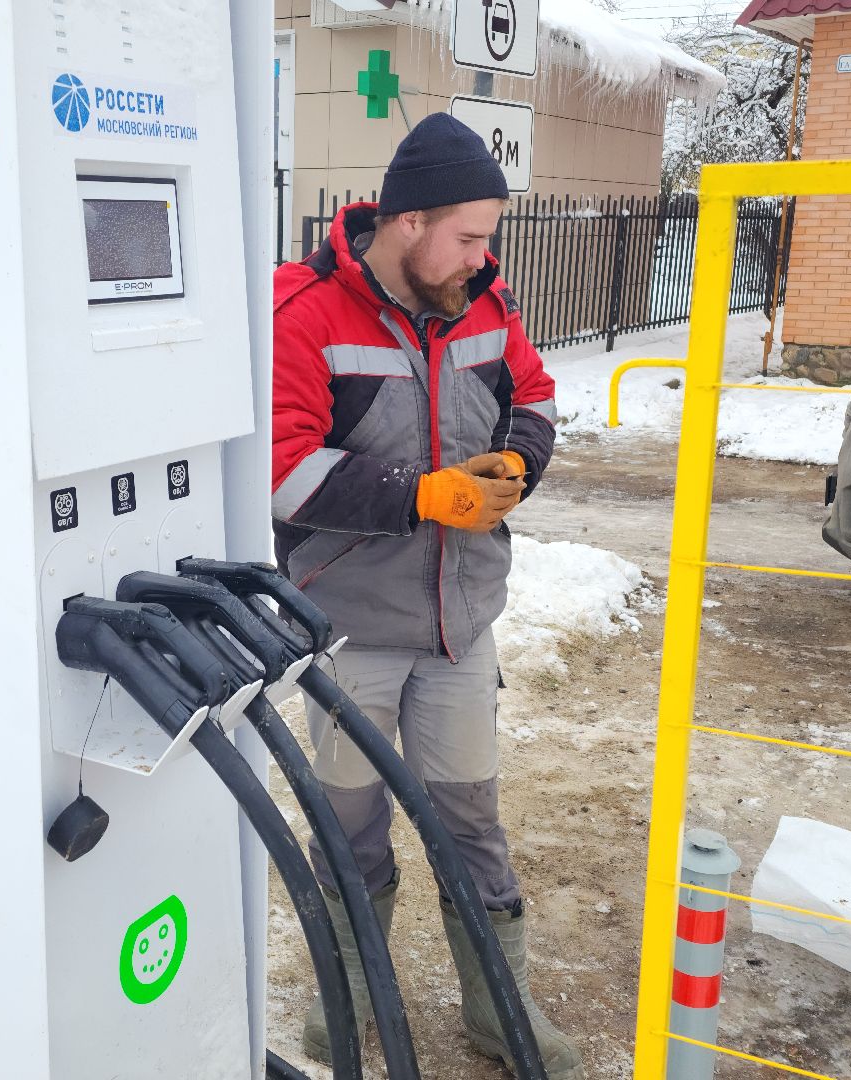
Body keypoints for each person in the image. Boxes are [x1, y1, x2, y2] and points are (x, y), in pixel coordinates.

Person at [272, 112, 580, 1078]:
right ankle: (352, 990)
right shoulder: (307, 313)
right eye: (470, 235)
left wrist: (514, 466)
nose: (483, 256)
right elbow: (278, 472)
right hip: (347, 632)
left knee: (469, 824)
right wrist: (421, 496)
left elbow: (532, 397)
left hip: (458, 630)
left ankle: (498, 1003)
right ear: (407, 223)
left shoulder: (482, 302)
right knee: (350, 826)